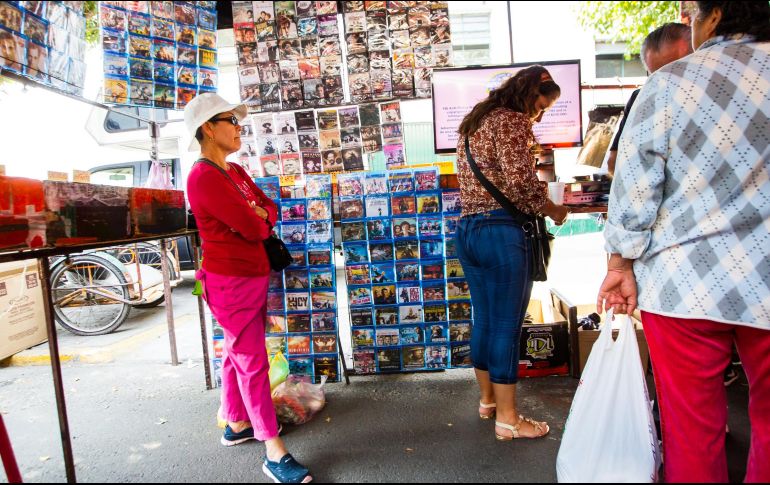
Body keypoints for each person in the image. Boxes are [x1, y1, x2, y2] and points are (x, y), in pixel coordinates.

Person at [597, 3, 770, 482]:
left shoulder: (671, 84)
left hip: (684, 285)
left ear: (713, 15)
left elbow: (633, 190)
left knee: (691, 431)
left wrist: (620, 264)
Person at [184, 93, 313, 484]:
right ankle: (273, 450)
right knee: (251, 360)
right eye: (232, 121)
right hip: (229, 281)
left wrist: (258, 215)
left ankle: (237, 422)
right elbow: (255, 226)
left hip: (251, 276)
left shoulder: (234, 171)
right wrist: (256, 217)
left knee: (237, 353)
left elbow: (268, 210)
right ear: (208, 127)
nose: (239, 128)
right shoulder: (203, 175)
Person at [455, 65, 568, 441]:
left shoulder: (475, 122)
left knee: (484, 319)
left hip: (468, 229)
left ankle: (488, 401)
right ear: (530, 93)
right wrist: (553, 209)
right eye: (541, 104)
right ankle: (509, 419)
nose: (539, 113)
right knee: (506, 326)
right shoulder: (512, 122)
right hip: (500, 233)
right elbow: (521, 184)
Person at [605, 23, 693, 177]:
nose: (665, 86)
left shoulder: (713, 96)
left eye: (676, 74)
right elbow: (615, 164)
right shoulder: (641, 98)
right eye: (655, 78)